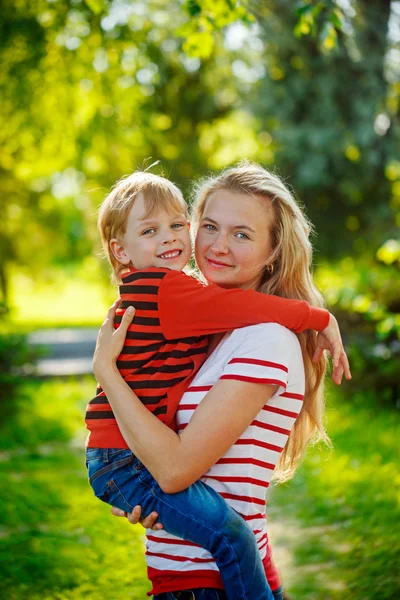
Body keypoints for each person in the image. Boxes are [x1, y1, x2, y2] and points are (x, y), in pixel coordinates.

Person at [91, 164, 351, 600]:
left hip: (212, 582)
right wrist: (142, 490)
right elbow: (163, 450)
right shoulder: (198, 332)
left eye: (242, 234)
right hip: (184, 573)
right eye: (209, 227)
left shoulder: (264, 338)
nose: (218, 246)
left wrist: (106, 372)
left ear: (273, 252)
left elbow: (174, 470)